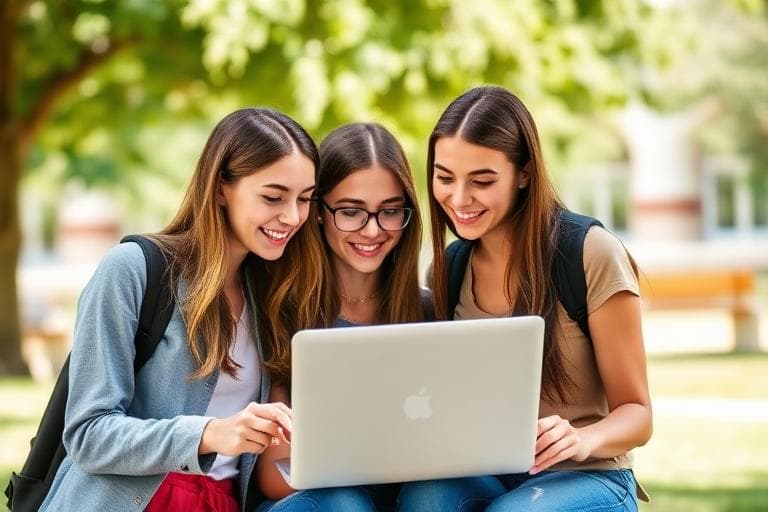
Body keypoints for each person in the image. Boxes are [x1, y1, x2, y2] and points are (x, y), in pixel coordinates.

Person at [39, 107, 331, 512]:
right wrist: (208, 434)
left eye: (305, 199)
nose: (293, 216)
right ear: (219, 189)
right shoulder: (133, 269)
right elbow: (89, 434)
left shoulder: (272, 296)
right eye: (272, 197)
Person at [397, 86, 652, 512]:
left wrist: (582, 438)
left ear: (525, 173)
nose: (459, 199)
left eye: (482, 181)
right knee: (426, 496)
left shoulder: (589, 252)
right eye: (444, 178)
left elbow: (638, 414)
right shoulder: (450, 269)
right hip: (495, 472)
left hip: (589, 475)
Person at [255, 122, 429, 511]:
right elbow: (273, 475)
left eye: (390, 212)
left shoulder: (428, 311)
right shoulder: (280, 309)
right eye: (350, 212)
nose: (372, 230)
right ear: (317, 211)